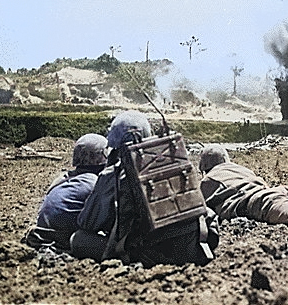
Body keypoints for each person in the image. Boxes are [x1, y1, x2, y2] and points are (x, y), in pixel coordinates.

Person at [71, 110, 219, 267]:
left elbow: (88, 222)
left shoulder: (113, 173)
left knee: (78, 239)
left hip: (151, 254)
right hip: (195, 246)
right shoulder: (176, 159)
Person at [25, 133, 108, 252]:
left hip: (42, 232)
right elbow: (95, 221)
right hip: (62, 238)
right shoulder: (93, 183)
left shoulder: (63, 177)